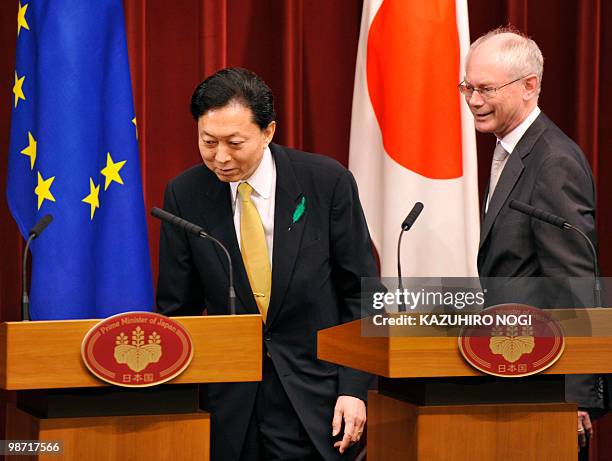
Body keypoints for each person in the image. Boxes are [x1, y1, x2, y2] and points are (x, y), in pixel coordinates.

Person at [157, 67, 378, 461]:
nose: (220, 157)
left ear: (268, 132)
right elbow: (179, 308)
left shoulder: (326, 183)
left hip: (318, 399)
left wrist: (354, 389)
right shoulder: (185, 194)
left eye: (234, 142)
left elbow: (361, 294)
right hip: (229, 405)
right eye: (208, 142)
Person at [460, 27, 602, 453]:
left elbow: (574, 281)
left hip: (546, 389)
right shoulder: (511, 150)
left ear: (529, 86)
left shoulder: (553, 161)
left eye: (485, 88)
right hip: (513, 372)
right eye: (467, 86)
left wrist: (578, 394)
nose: (473, 100)